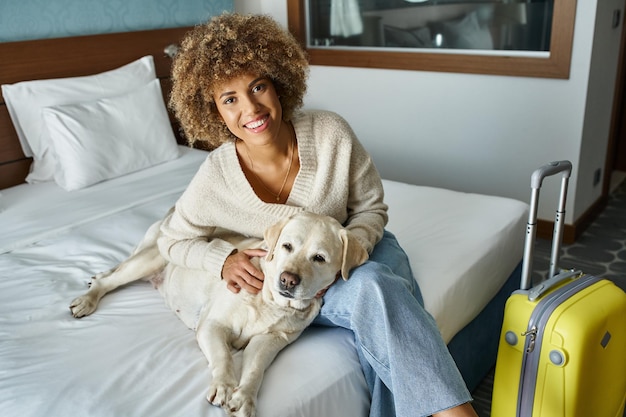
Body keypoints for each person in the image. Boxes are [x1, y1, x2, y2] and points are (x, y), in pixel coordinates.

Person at [160, 12, 479, 417]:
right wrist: (222, 259)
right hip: (294, 284)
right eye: (230, 99)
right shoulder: (216, 176)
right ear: (214, 112)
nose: (251, 108)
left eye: (258, 86)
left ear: (279, 83)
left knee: (375, 282)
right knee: (377, 296)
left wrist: (346, 256)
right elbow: (170, 239)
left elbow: (371, 209)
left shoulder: (331, 133)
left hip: (355, 249)